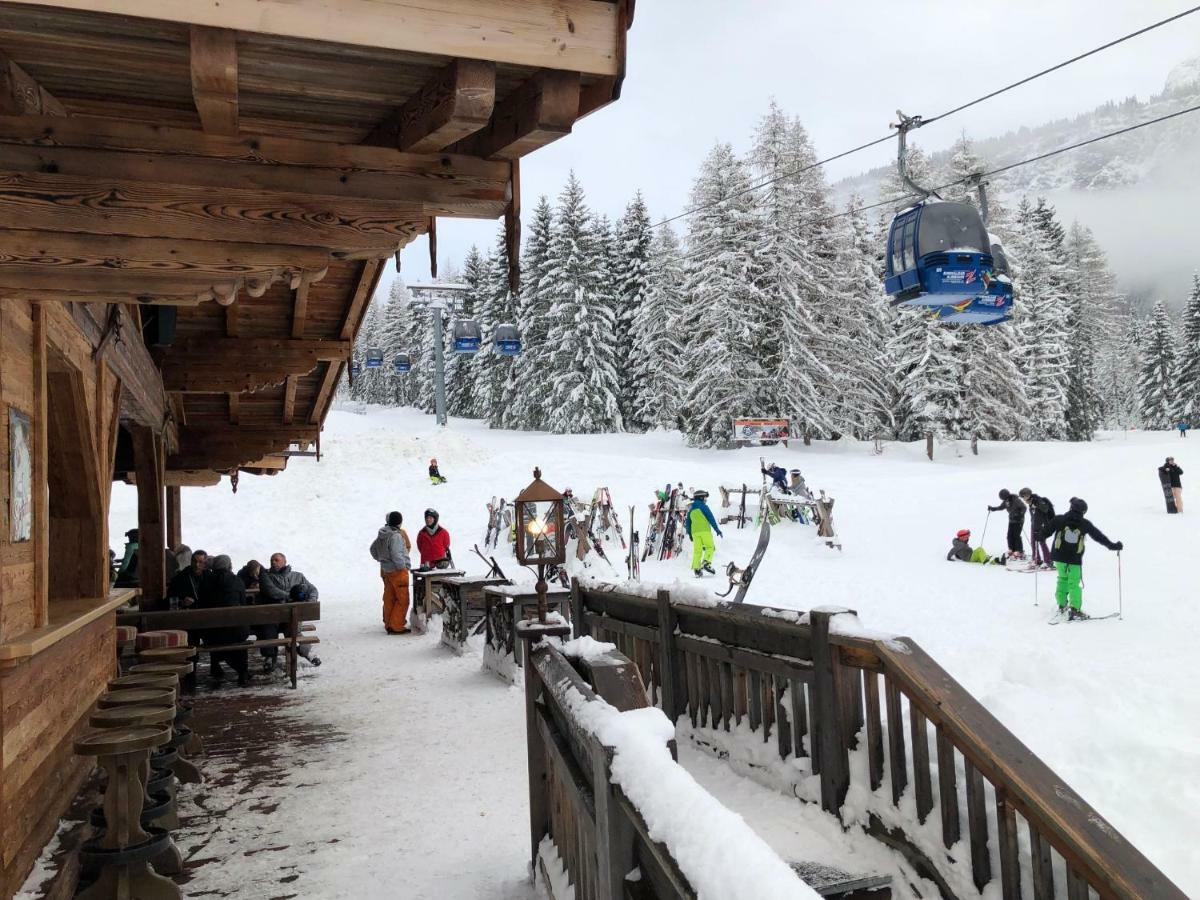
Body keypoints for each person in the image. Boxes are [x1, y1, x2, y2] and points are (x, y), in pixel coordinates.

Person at [1037, 497, 1123, 621]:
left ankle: (1062, 605)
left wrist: (1040, 536)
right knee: (1074, 583)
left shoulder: (1059, 519)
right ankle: (1075, 609)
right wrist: (1113, 546)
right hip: (1074, 559)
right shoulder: (1085, 524)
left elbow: (1045, 532)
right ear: (1083, 512)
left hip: (1059, 557)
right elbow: (1099, 537)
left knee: (1062, 579)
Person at [259, 553, 321, 668]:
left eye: (276, 560)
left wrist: (312, 599)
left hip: (291, 617)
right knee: (269, 630)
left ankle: (308, 653)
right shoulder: (266, 576)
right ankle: (270, 657)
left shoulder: (297, 576)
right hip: (273, 617)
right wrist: (291, 596)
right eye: (272, 560)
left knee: (294, 631)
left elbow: (312, 589)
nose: (273, 562)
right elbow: (271, 591)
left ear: (284, 561)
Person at [196, 554, 250, 686]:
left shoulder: (205, 581)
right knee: (235, 632)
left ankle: (215, 666)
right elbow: (243, 604)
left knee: (214, 627)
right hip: (237, 632)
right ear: (229, 566)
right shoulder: (237, 581)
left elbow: (201, 605)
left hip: (212, 635)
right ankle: (242, 672)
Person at [371, 511, 412, 634]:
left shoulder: (383, 534)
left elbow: (373, 549)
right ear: (399, 522)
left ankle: (389, 624)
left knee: (389, 598)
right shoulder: (396, 536)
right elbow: (396, 554)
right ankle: (396, 626)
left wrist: (382, 560)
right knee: (402, 599)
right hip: (398, 571)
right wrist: (402, 566)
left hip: (387, 571)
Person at [685, 489, 723, 578]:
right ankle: (706, 562)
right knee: (710, 547)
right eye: (705, 498)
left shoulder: (691, 510)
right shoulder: (703, 507)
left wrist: (690, 534)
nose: (705, 500)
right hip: (705, 531)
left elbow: (688, 523)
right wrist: (717, 529)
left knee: (697, 550)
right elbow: (711, 518)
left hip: (695, 533)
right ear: (701, 497)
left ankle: (697, 569)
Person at [1018, 488, 1055, 570]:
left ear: (1027, 495)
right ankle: (1036, 560)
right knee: (1033, 543)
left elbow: (1045, 509)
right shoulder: (1030, 502)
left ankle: (1048, 561)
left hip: (1042, 526)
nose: (1023, 499)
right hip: (1034, 525)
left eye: (1023, 497)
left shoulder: (1038, 500)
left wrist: (1036, 504)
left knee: (1041, 542)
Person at [988, 489, 1026, 560]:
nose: (1004, 499)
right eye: (1002, 498)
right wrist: (993, 509)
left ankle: (1019, 551)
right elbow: (1001, 507)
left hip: (1019, 520)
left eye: (1004, 498)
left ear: (1007, 495)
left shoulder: (1016, 500)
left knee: (1016, 535)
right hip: (1011, 520)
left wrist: (1020, 514)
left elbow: (1024, 507)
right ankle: (1011, 549)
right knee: (1009, 535)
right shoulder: (1006, 501)